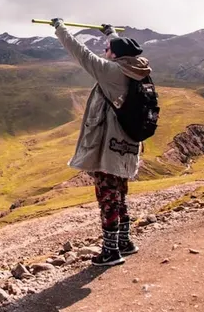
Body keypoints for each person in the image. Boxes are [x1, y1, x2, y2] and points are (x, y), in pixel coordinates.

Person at [50, 17, 152, 266]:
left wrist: (60, 28)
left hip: (109, 147)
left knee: (107, 196)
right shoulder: (136, 69)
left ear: (116, 55)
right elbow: (119, 47)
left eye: (107, 49)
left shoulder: (112, 72)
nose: (104, 52)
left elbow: (81, 54)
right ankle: (125, 242)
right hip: (128, 145)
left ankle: (111, 252)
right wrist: (112, 33)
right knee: (119, 195)